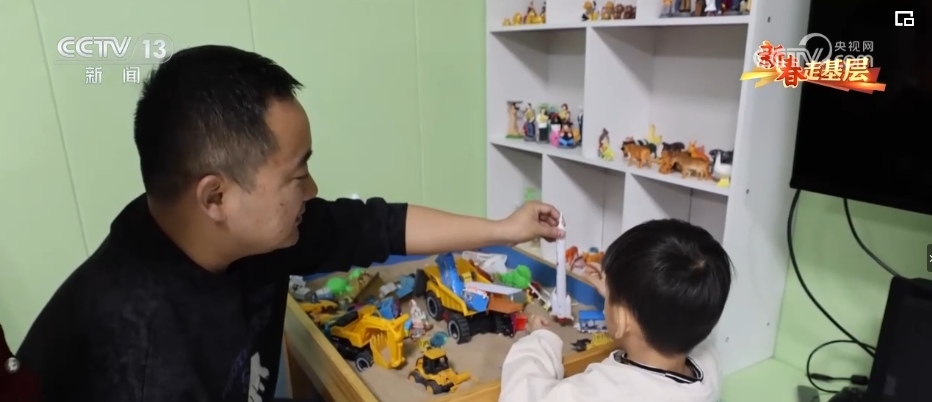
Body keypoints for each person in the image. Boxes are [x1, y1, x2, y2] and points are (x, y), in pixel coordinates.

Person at [17, 45, 564, 402]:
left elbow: (378, 225)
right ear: (216, 196)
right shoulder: (139, 358)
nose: (313, 189)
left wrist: (503, 229)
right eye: (297, 174)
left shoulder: (246, 232)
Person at [498, 219, 733, 402]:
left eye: (609, 295)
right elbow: (676, 312)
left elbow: (522, 393)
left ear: (622, 320)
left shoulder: (592, 393)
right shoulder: (709, 364)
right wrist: (624, 297)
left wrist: (539, 342)